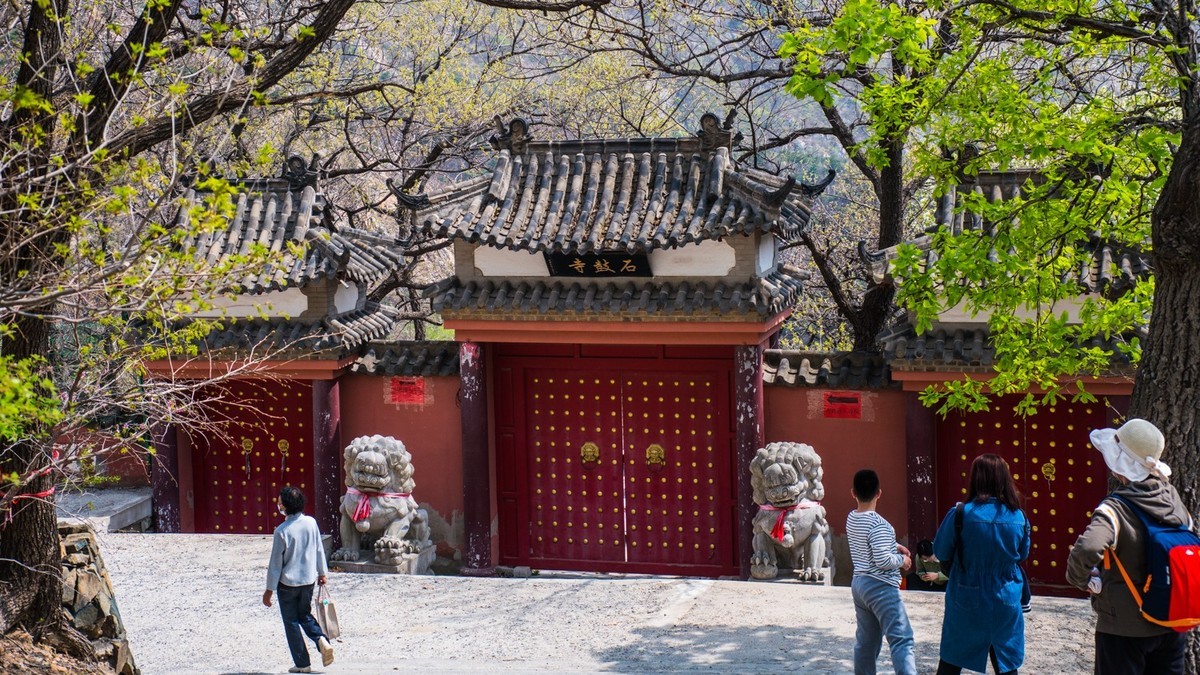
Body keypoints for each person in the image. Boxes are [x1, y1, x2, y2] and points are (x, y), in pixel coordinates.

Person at [1065, 418, 1193, 674]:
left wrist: (1080, 579)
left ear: (1119, 465)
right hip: (1171, 621)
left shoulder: (1115, 509)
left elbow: (1089, 548)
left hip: (1122, 628)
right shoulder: (1174, 502)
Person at [933, 453, 1030, 675]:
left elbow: (940, 551)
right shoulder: (1019, 517)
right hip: (1005, 596)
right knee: (1005, 663)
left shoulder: (960, 514)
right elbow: (1022, 554)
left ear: (975, 478)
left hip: (965, 596)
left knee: (951, 660)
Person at [846, 468, 916, 675]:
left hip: (859, 584)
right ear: (879, 493)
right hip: (881, 587)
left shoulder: (852, 518)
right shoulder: (880, 525)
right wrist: (902, 560)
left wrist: (893, 546)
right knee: (902, 638)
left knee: (866, 642)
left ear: (853, 493)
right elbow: (883, 560)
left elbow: (867, 542)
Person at [263, 486, 335, 673]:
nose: (278, 506)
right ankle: (320, 639)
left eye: (280, 503)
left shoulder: (282, 531)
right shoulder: (311, 523)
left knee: (291, 622)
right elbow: (319, 548)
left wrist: (269, 590)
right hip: (308, 581)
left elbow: (275, 563)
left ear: (286, 506)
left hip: (287, 584)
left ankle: (303, 664)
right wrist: (322, 573)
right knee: (304, 615)